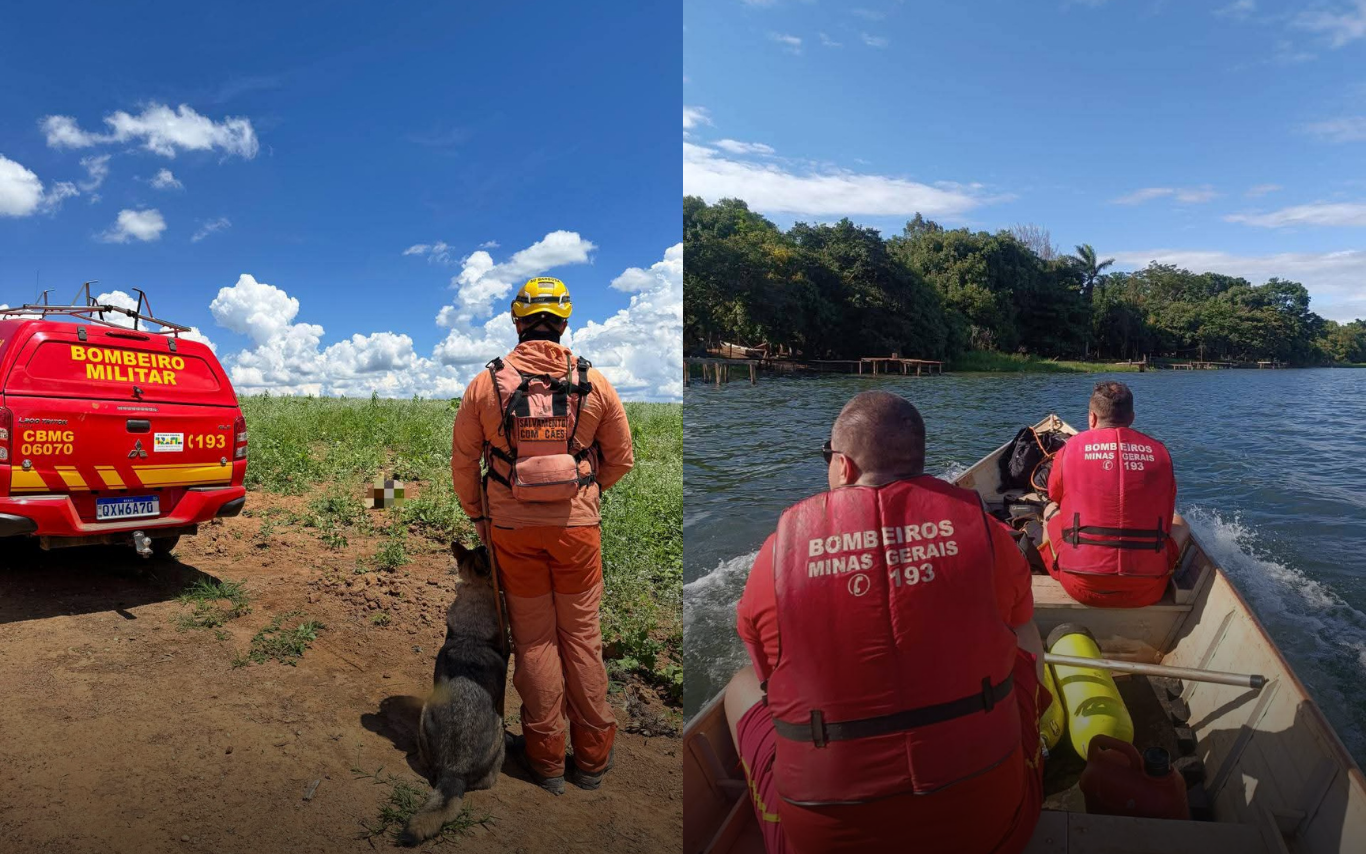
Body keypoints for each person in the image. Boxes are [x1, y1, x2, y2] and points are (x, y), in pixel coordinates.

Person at [727, 391, 1048, 854]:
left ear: (844, 465)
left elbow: (767, 679)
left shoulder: (776, 556)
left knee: (740, 686)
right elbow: (1018, 627)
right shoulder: (991, 535)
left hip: (828, 842)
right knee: (1023, 630)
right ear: (917, 462)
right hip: (989, 831)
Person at [451, 276, 635, 794]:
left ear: (517, 320)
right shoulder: (594, 382)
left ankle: (546, 759)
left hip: (510, 530)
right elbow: (621, 459)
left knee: (534, 642)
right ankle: (593, 760)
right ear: (565, 321)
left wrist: (480, 516)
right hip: (577, 531)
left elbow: (464, 462)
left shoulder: (486, 383)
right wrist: (584, 492)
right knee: (581, 639)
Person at [1040, 381, 1189, 609]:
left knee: (1050, 510)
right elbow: (1167, 510)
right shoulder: (1160, 451)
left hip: (1080, 584)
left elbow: (1055, 496)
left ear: (1092, 417)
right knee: (1181, 523)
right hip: (1148, 587)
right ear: (1132, 417)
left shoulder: (1069, 449)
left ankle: (1054, 561)